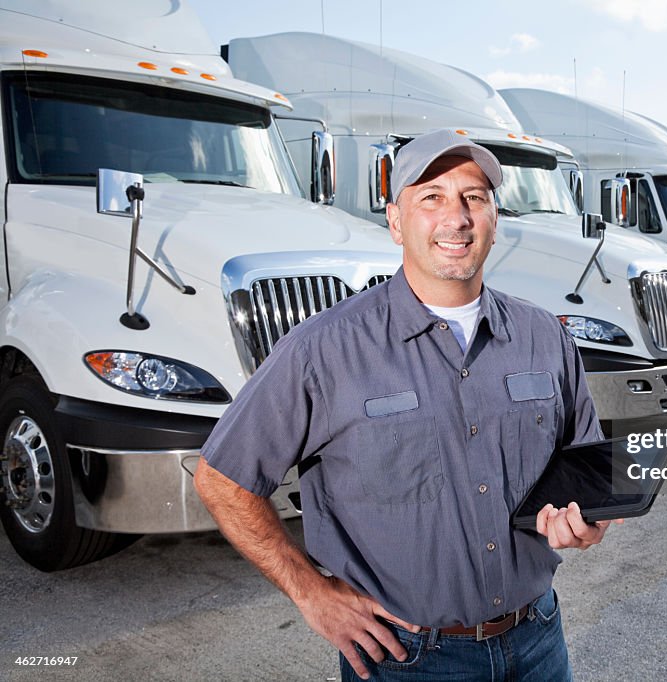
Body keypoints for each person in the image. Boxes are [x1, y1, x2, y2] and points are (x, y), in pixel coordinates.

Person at [194, 128, 618, 681]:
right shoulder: (325, 349)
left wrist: (588, 520)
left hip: (537, 641)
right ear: (396, 222)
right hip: (407, 661)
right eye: (432, 197)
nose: (456, 217)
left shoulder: (545, 336)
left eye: (474, 198)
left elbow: (583, 467)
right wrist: (312, 594)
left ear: (495, 222)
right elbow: (222, 478)